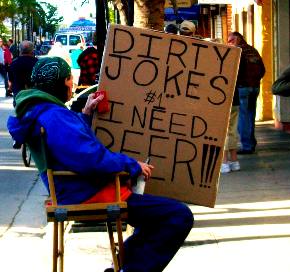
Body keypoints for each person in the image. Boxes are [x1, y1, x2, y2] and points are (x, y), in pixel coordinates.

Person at [7, 57, 194, 272]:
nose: (72, 84)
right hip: (89, 192)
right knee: (178, 215)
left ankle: (122, 267)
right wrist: (131, 164)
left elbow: (71, 146)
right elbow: (90, 158)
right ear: (59, 82)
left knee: (157, 217)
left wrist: (85, 115)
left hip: (75, 189)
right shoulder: (54, 115)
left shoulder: (41, 110)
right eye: (69, 78)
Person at [227, 31, 265, 154]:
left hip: (243, 88)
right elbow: (262, 70)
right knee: (250, 116)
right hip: (254, 87)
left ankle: (247, 146)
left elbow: (233, 70)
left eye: (231, 40)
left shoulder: (237, 51)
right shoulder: (253, 50)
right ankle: (251, 143)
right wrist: (255, 81)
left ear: (238, 39)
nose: (229, 43)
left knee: (243, 118)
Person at [8, 40, 38, 106]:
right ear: (32, 50)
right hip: (34, 95)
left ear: (20, 50)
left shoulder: (14, 63)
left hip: (19, 96)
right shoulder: (38, 63)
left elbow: (10, 83)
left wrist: (10, 88)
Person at [221, 87, 240, 173]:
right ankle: (234, 161)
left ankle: (224, 162)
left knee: (222, 130)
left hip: (221, 98)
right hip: (235, 98)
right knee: (233, 130)